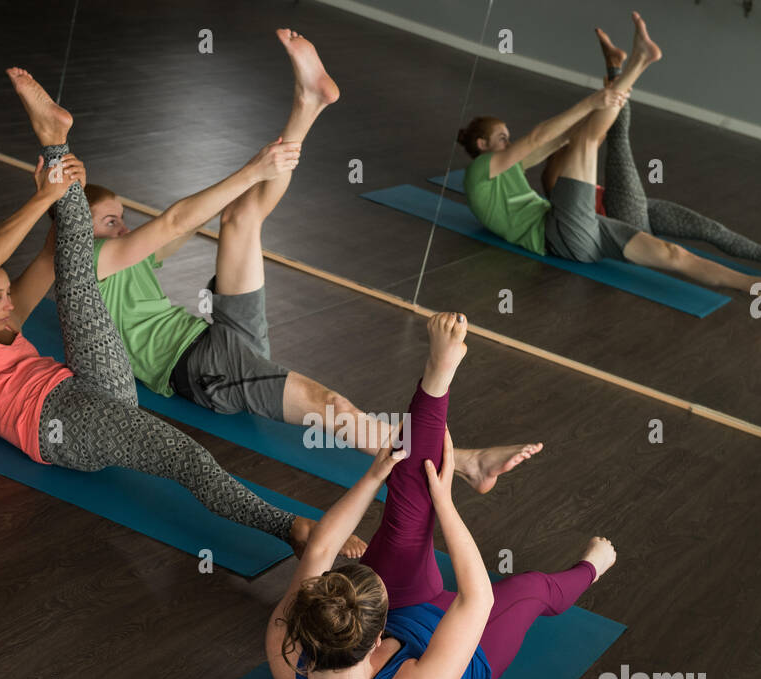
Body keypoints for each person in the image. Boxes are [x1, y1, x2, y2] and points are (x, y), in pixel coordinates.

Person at [76, 29, 541, 495]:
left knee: (242, 219)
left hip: (213, 336)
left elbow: (205, 216)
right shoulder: (91, 261)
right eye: (109, 220)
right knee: (332, 405)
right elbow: (177, 220)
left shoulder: (124, 256)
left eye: (121, 219)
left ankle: (309, 102)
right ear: (79, 231)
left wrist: (255, 173)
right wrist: (252, 170)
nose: (121, 227)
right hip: (198, 369)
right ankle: (464, 463)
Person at [0, 67, 362, 558]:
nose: (12, 304)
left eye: (8, 294)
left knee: (77, 275)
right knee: (186, 459)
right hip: (61, 428)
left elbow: (58, 256)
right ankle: (293, 530)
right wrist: (47, 194)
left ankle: (55, 138)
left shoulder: (7, 321)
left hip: (90, 383)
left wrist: (67, 183)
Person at [264, 311, 617, 679]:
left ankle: (438, 376)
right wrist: (445, 502)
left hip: (377, 618)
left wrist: (376, 476)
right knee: (532, 589)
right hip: (460, 651)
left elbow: (320, 548)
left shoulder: (287, 642)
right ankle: (594, 566)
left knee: (404, 507)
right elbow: (477, 598)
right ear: (378, 638)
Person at [457, 12, 761, 300]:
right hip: (557, 235)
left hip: (581, 230)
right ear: (482, 146)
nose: (509, 142)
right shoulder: (481, 171)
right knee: (589, 143)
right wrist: (594, 101)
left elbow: (560, 135)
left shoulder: (505, 170)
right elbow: (538, 136)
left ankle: (756, 286)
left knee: (674, 254)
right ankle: (638, 63)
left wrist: (602, 97)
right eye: (501, 138)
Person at [534, 27, 761, 277]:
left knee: (710, 229)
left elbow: (597, 130)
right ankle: (618, 66)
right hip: (621, 220)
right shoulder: (552, 176)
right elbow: (596, 136)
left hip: (631, 208)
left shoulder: (575, 153)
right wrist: (602, 95)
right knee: (620, 141)